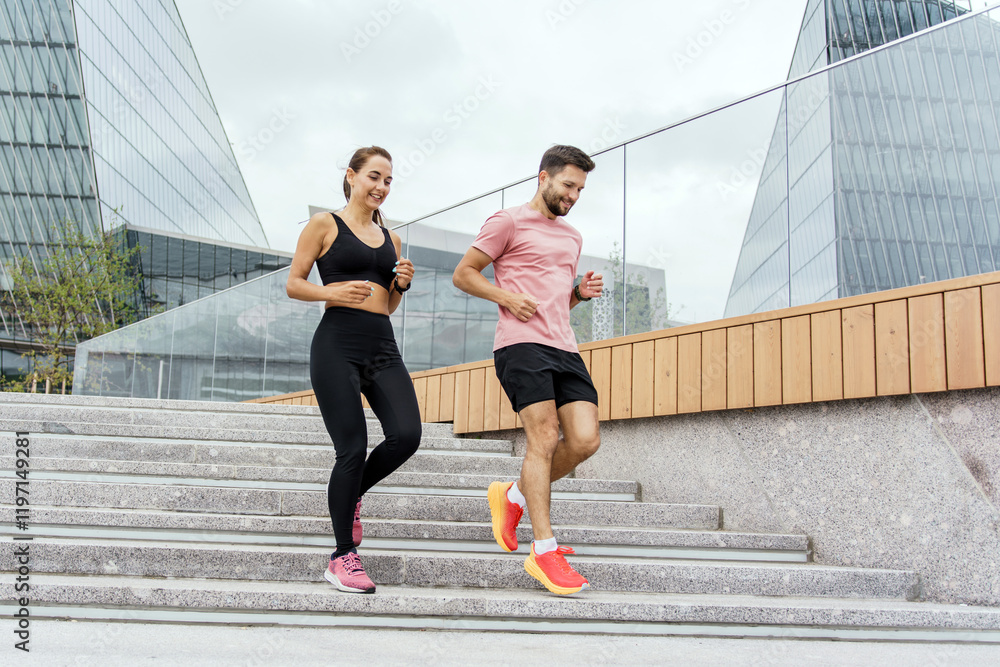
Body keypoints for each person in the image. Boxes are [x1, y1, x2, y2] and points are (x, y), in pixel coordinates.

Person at [452, 145, 604, 595]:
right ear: (543, 178)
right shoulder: (508, 221)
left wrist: (578, 293)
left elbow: (557, 300)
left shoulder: (572, 237)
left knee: (584, 440)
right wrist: (507, 298)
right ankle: (544, 550)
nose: (574, 195)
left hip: (564, 347)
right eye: (568, 185)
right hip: (520, 346)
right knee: (543, 438)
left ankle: (513, 496)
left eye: (580, 189)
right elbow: (464, 273)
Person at [287, 146, 421, 594]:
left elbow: (389, 305)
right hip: (336, 346)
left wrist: (400, 284)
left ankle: (352, 494)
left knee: (407, 435)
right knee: (352, 447)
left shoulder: (392, 239)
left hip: (382, 345)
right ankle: (342, 555)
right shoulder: (325, 224)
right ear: (352, 176)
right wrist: (333, 293)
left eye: (388, 180)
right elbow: (294, 283)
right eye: (374, 177)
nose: (381, 187)